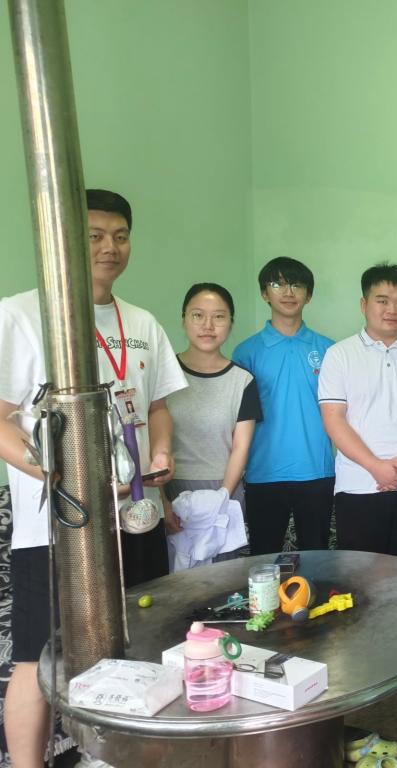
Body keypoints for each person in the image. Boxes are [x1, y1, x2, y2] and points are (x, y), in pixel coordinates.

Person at [0, 189, 186, 767]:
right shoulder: (20, 314)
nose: (110, 247)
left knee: (143, 640)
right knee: (37, 656)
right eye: (94, 236)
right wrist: (56, 473)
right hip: (57, 525)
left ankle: (125, 756)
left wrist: (161, 450)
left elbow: (157, 405)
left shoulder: (142, 321)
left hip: (134, 515)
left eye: (120, 236)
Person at [318, 262, 397, 689]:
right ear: (363, 304)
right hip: (358, 487)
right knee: (359, 578)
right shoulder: (340, 355)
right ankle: (365, 662)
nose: (392, 309)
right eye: (382, 300)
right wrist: (376, 467)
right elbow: (334, 420)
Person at [232, 257, 335, 554]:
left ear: (309, 295)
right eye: (278, 284)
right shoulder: (246, 352)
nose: (288, 292)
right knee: (263, 559)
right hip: (263, 471)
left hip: (317, 470)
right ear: (264, 293)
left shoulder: (329, 350)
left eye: (297, 285)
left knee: (317, 557)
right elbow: (237, 419)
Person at [165, 283, 262, 566]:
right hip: (171, 488)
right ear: (183, 319)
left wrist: (223, 497)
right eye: (198, 315)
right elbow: (150, 441)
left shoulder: (243, 381)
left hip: (224, 488)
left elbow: (241, 447)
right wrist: (162, 501)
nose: (208, 325)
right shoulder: (162, 376)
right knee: (172, 581)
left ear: (231, 323)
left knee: (222, 582)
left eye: (219, 316)